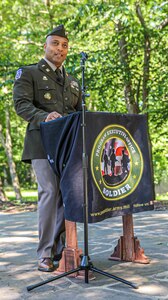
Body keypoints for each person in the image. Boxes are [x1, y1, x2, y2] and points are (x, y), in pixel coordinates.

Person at [13, 25, 82, 272]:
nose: (60, 49)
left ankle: (60, 249)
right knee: (50, 192)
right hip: (41, 144)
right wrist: (44, 116)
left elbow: (79, 112)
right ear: (45, 46)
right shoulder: (29, 73)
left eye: (64, 45)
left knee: (67, 196)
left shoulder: (73, 81)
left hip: (69, 147)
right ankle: (44, 253)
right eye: (55, 43)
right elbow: (21, 105)